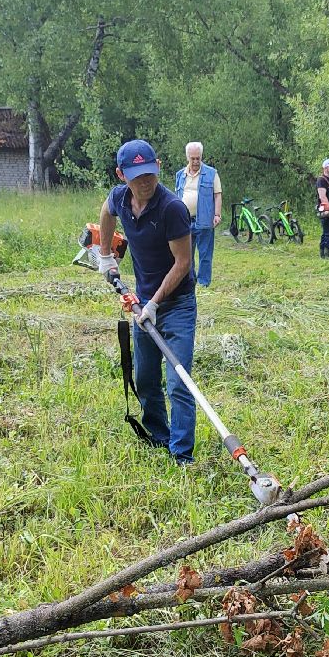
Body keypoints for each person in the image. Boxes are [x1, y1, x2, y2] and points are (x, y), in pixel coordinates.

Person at [96, 139, 198, 465]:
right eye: (137, 175)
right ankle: (160, 436)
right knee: (145, 378)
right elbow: (106, 211)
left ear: (158, 169)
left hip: (177, 303)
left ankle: (182, 455)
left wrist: (153, 303)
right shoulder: (120, 198)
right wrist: (105, 255)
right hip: (143, 301)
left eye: (150, 174)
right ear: (121, 174)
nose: (145, 182)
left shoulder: (172, 209)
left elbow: (183, 263)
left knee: (178, 381)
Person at [174, 142, 222, 286]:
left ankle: (203, 282)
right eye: (192, 158)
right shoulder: (180, 175)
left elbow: (218, 195)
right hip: (184, 221)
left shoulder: (211, 173)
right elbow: (177, 197)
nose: (195, 162)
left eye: (198, 158)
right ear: (187, 157)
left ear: (201, 157)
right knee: (186, 254)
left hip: (205, 220)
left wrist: (217, 214)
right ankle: (190, 279)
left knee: (205, 254)